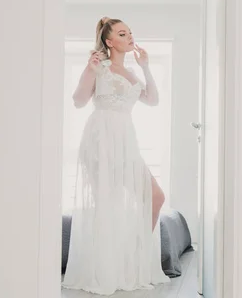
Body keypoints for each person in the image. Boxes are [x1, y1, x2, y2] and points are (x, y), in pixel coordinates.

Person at [62, 17, 170, 295]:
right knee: (106, 205)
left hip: (126, 141)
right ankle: (104, 270)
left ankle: (131, 261)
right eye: (123, 33)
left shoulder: (133, 73)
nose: (129, 36)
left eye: (130, 32)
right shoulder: (100, 67)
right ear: (109, 41)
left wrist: (146, 67)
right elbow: (78, 101)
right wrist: (89, 70)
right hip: (101, 140)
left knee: (156, 197)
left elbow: (153, 100)